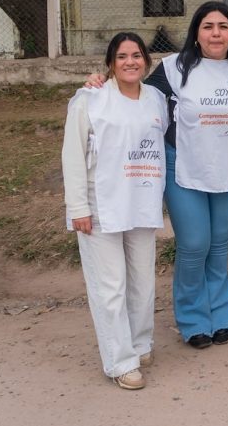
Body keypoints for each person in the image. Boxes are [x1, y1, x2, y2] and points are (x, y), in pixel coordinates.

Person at [63, 32, 168, 390]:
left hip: (141, 202)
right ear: (110, 62)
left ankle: (139, 345)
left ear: (146, 61)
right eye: (122, 56)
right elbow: (73, 155)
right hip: (101, 206)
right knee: (110, 287)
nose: (130, 62)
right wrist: (78, 207)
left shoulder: (155, 99)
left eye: (136, 55)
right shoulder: (90, 99)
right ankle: (119, 361)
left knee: (142, 281)